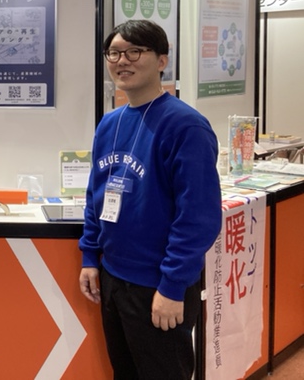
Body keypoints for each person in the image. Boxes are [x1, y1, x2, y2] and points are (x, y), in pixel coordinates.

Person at [78, 20, 222, 380]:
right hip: (113, 279)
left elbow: (198, 217)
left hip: (159, 284)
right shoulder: (110, 123)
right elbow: (96, 195)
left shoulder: (186, 126)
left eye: (134, 52)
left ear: (161, 60)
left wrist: (173, 285)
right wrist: (90, 256)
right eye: (114, 53)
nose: (121, 61)